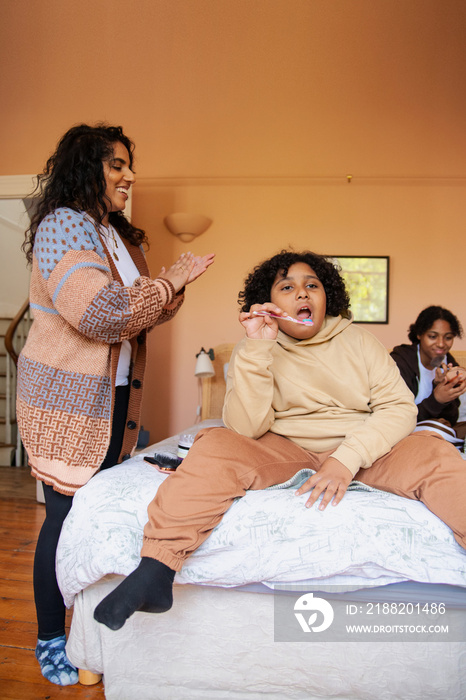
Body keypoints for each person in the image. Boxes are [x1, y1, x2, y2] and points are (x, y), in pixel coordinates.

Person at [93, 250, 466, 633]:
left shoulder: (360, 342)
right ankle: (156, 569)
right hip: (284, 447)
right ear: (270, 302)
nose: (302, 294)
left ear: (327, 298)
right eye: (287, 287)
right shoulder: (253, 348)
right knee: (216, 445)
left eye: (312, 286)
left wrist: (346, 459)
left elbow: (400, 409)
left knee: (435, 452)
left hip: (364, 448)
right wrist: (257, 348)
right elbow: (246, 428)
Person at [17, 123, 214, 686]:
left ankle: (86, 626)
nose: (130, 176)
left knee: (93, 512)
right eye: (117, 165)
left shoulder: (119, 235)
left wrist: (173, 286)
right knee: (62, 517)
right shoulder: (64, 226)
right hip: (64, 400)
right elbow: (103, 314)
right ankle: (51, 635)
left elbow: (143, 309)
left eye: (131, 165)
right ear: (86, 167)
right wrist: (170, 280)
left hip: (113, 397)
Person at [390, 306, 466, 444]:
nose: (441, 344)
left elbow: (450, 420)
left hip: (436, 432)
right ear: (419, 334)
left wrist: (444, 393)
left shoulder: (448, 363)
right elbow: (396, 417)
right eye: (432, 336)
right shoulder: (401, 361)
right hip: (400, 432)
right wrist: (436, 399)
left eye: (448, 337)